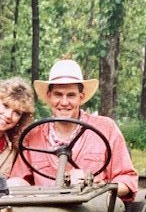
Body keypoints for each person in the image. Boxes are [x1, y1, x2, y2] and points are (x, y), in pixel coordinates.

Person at [9, 59, 138, 200]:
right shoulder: (33, 135)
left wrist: (96, 187)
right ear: (49, 97)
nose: (64, 102)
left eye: (71, 95)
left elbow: (128, 181)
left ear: (81, 98)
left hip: (91, 208)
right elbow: (17, 181)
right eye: (58, 94)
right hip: (45, 210)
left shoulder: (106, 128)